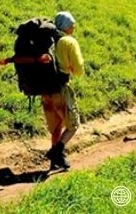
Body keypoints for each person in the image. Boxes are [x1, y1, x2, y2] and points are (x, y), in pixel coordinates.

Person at [41, 11, 84, 170]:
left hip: (44, 89)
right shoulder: (68, 41)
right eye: (72, 23)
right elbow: (79, 69)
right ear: (67, 26)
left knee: (56, 127)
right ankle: (56, 152)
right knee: (73, 125)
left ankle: (54, 162)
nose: (74, 26)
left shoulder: (48, 39)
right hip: (60, 89)